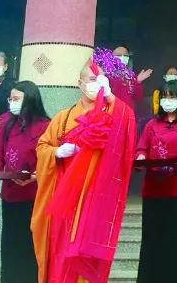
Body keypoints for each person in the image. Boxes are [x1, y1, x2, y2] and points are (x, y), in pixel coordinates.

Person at [32, 51, 138, 283]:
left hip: (95, 195)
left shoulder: (113, 112)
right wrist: (56, 153)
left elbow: (127, 127)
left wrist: (110, 97)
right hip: (64, 196)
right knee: (61, 253)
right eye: (90, 80)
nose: (95, 85)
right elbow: (42, 146)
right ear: (79, 84)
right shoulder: (63, 116)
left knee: (87, 255)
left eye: (100, 80)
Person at [0, 81, 50, 283]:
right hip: (10, 196)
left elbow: (51, 160)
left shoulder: (46, 126)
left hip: (35, 197)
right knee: (10, 245)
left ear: (30, 99)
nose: (12, 103)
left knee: (30, 246)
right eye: (10, 99)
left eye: (16, 99)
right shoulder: (6, 125)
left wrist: (36, 175)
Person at [135, 83, 177, 283]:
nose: (167, 101)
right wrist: (141, 157)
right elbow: (141, 148)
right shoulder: (152, 125)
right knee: (152, 240)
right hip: (153, 191)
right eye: (164, 97)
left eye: (172, 97)